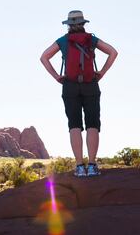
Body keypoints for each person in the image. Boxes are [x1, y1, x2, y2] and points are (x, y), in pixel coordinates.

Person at [39, 10, 118, 177]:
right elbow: (113, 52)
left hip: (70, 86)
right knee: (92, 124)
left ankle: (80, 167)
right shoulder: (91, 40)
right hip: (91, 84)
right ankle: (92, 165)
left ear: (68, 25)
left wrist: (56, 76)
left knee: (74, 125)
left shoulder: (63, 41)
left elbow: (44, 57)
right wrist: (102, 72)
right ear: (83, 24)